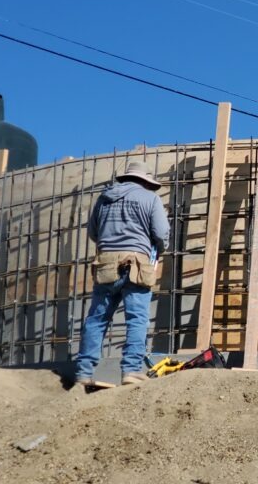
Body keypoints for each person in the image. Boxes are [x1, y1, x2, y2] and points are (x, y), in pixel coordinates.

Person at [75, 161, 169, 386]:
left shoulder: (104, 198)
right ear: (145, 181)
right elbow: (161, 232)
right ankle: (131, 370)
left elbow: (94, 232)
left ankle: (84, 373)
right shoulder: (150, 199)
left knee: (97, 319)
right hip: (136, 262)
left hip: (106, 262)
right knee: (136, 318)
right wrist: (157, 248)